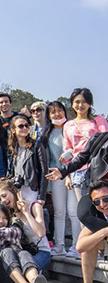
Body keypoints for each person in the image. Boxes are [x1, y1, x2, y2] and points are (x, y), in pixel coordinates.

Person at [42, 101, 81, 257]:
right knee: (59, 212)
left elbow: (77, 152)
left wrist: (69, 174)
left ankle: (77, 247)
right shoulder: (47, 134)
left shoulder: (71, 128)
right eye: (53, 112)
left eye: (60, 111)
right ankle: (60, 246)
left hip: (72, 174)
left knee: (73, 211)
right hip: (55, 177)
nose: (57, 114)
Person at [0, 180, 51, 271]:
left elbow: (41, 233)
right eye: (0, 199)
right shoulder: (10, 214)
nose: (3, 201)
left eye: (4, 196)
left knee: (26, 269)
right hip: (23, 253)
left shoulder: (34, 206)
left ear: (13, 191)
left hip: (41, 251)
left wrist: (26, 212)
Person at [69, 180, 108, 283]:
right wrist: (105, 231)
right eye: (97, 202)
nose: (102, 204)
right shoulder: (96, 217)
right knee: (90, 242)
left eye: (106, 199)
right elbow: (80, 247)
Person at [7, 115, 48, 203]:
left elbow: (44, 171)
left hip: (32, 189)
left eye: (26, 125)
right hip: (16, 189)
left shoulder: (37, 145)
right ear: (13, 130)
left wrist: (41, 196)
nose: (25, 128)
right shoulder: (12, 148)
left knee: (31, 215)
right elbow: (10, 170)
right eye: (21, 126)